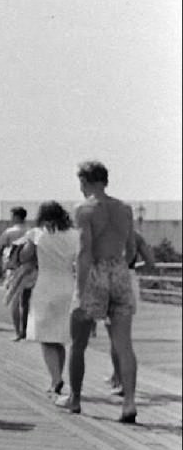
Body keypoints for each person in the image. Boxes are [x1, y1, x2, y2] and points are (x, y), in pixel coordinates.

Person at [57, 161, 138, 422]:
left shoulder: (85, 209)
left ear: (86, 181)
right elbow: (132, 248)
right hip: (120, 271)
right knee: (124, 344)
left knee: (78, 342)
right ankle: (129, 402)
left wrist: (81, 292)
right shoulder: (125, 209)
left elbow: (84, 251)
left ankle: (75, 398)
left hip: (95, 273)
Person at [17, 201, 78, 397]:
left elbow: (25, 256)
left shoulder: (37, 233)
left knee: (45, 336)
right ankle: (58, 375)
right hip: (68, 284)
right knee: (59, 335)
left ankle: (55, 379)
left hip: (46, 283)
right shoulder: (74, 234)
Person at [108, 230, 156, 396]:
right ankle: (120, 377)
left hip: (111, 278)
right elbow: (151, 263)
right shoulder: (135, 236)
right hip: (130, 279)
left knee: (113, 336)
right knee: (123, 336)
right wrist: (133, 268)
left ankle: (119, 379)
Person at [0, 206, 30, 339]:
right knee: (26, 302)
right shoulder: (30, 231)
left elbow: (0, 250)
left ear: (15, 216)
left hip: (14, 270)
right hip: (30, 269)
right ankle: (26, 330)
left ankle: (18, 331)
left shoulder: (9, 232)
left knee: (15, 301)